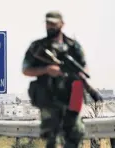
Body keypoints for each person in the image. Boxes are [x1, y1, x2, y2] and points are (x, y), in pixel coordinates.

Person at [22, 11, 88, 148]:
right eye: (48, 23)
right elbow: (26, 69)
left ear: (61, 24)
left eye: (53, 23)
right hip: (49, 98)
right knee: (53, 138)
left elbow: (84, 67)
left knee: (74, 135)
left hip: (72, 97)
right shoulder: (37, 46)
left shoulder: (72, 46)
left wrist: (78, 74)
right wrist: (46, 70)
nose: (50, 26)